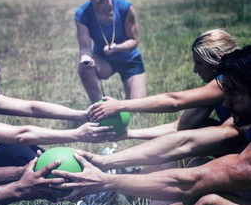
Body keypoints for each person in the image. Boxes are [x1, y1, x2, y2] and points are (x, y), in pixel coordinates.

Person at [53, 45, 251, 205]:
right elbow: (185, 141)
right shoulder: (237, 123)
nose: (226, 103)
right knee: (201, 164)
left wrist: (105, 181)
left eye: (234, 94)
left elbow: (190, 181)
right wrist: (103, 162)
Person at [89, 28, 239, 140]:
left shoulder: (229, 78)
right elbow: (177, 127)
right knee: (197, 126)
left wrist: (120, 105)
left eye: (199, 63)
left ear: (220, 58)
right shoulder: (211, 93)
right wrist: (129, 134)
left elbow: (174, 101)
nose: (195, 70)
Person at [75, 0, 147, 103]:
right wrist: (86, 59)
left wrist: (117, 47)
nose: (96, 0)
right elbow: (84, 49)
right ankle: (99, 107)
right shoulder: (82, 13)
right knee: (84, 66)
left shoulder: (125, 7)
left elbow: (134, 41)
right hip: (104, 60)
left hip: (129, 59)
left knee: (138, 107)